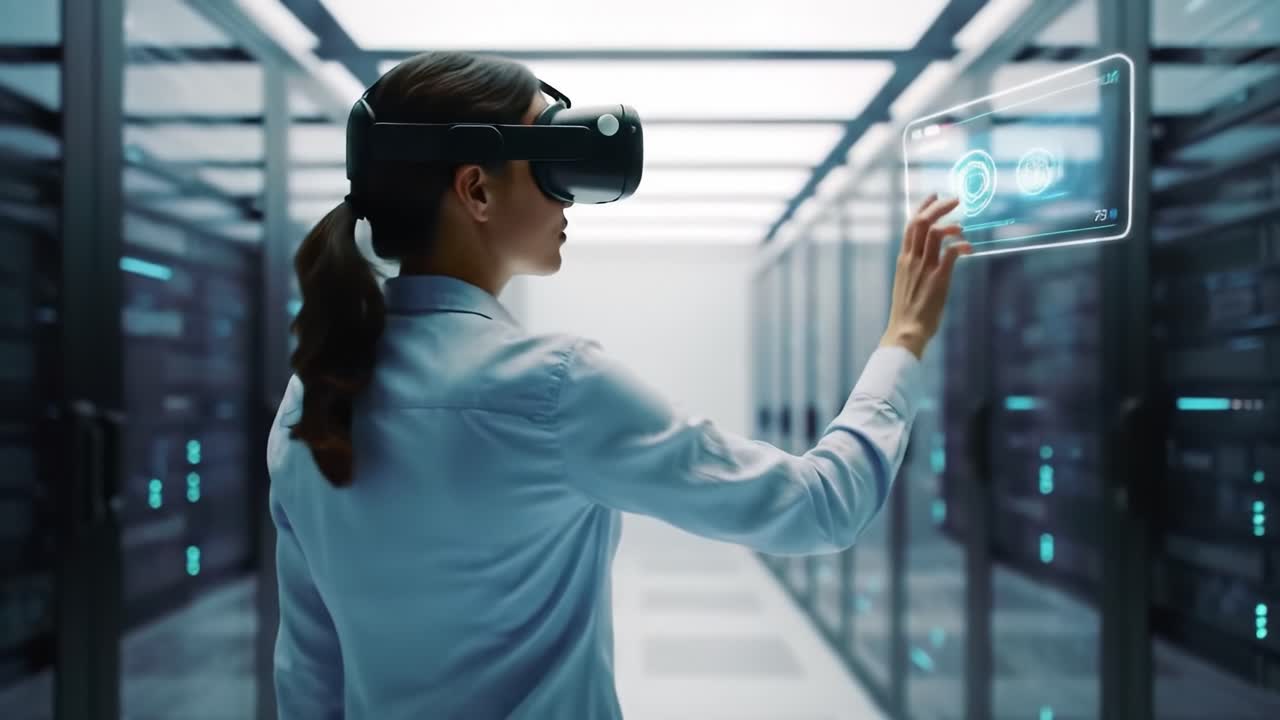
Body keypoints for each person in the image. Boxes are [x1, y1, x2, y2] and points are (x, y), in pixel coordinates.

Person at [267, 49, 972, 720]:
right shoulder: (553, 388)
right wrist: (903, 338)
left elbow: (309, 677)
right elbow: (820, 508)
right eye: (548, 161)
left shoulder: (309, 403)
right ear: (476, 189)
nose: (568, 194)